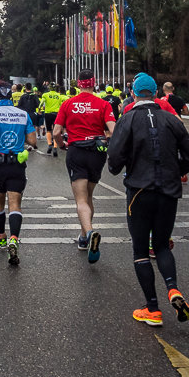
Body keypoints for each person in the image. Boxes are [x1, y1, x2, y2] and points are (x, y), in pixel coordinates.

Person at [108, 72, 189, 326]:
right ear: (156, 94)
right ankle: (173, 289)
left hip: (139, 190)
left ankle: (153, 308)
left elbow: (114, 164)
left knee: (140, 250)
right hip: (168, 191)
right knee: (161, 245)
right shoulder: (172, 120)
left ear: (133, 93)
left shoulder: (126, 119)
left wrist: (128, 162)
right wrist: (175, 169)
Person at [52, 69, 116, 263]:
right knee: (89, 196)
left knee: (81, 200)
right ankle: (82, 238)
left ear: (78, 84)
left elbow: (56, 132)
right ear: (93, 83)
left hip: (77, 150)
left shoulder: (68, 104)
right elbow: (113, 130)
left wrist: (62, 145)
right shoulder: (103, 104)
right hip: (97, 152)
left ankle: (89, 234)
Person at [0, 81, 37, 265]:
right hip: (16, 164)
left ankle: (2, 236)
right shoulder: (22, 114)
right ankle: (14, 238)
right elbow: (32, 140)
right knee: (15, 204)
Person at [42, 83, 66, 157]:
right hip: (56, 114)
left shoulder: (45, 95)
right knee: (56, 131)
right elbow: (61, 105)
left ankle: (49, 145)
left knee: (49, 130)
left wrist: (40, 109)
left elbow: (42, 103)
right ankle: (55, 147)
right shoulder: (59, 96)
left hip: (48, 113)